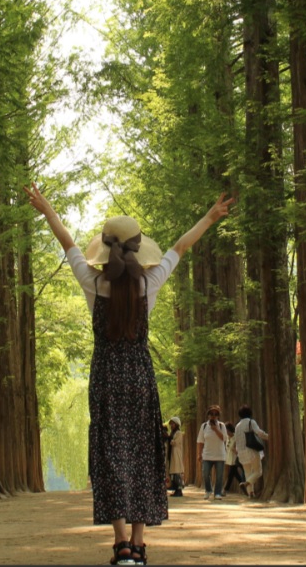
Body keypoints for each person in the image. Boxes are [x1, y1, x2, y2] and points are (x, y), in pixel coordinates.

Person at [25, 184, 233, 565]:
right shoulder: (148, 284)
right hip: (139, 378)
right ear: (138, 250)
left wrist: (46, 208)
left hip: (105, 378)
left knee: (110, 454)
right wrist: (210, 216)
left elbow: (66, 240)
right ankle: (139, 544)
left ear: (104, 250)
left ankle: (120, 543)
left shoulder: (93, 283)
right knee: (142, 455)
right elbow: (181, 248)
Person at [234, 405, 269, 499]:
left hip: (241, 453)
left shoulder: (237, 426)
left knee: (248, 472)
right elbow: (259, 432)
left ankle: (251, 493)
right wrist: (268, 436)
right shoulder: (251, 422)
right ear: (250, 413)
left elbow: (236, 440)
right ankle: (246, 483)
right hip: (252, 451)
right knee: (258, 471)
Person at [196, 405, 228, 501]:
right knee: (205, 473)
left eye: (215, 414)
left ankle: (217, 493)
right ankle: (208, 490)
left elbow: (224, 438)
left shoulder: (222, 426)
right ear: (208, 415)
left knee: (219, 475)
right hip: (207, 455)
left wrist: (215, 429)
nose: (213, 416)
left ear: (218, 416)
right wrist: (199, 453)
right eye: (211, 414)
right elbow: (200, 441)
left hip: (220, 455)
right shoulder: (204, 426)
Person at [222, 421, 245, 496]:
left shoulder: (236, 437)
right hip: (230, 459)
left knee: (231, 474)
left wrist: (236, 450)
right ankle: (245, 490)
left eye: (227, 430)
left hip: (237, 459)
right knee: (236, 475)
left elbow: (239, 447)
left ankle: (225, 490)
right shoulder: (227, 438)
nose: (226, 432)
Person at [167, 417, 184, 497]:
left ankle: (179, 490)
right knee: (173, 473)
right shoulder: (172, 433)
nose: (172, 425)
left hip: (176, 455)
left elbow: (175, 442)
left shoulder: (179, 433)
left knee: (177, 473)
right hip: (171, 454)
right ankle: (175, 489)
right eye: (171, 424)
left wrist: (169, 439)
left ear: (177, 424)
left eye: (173, 424)